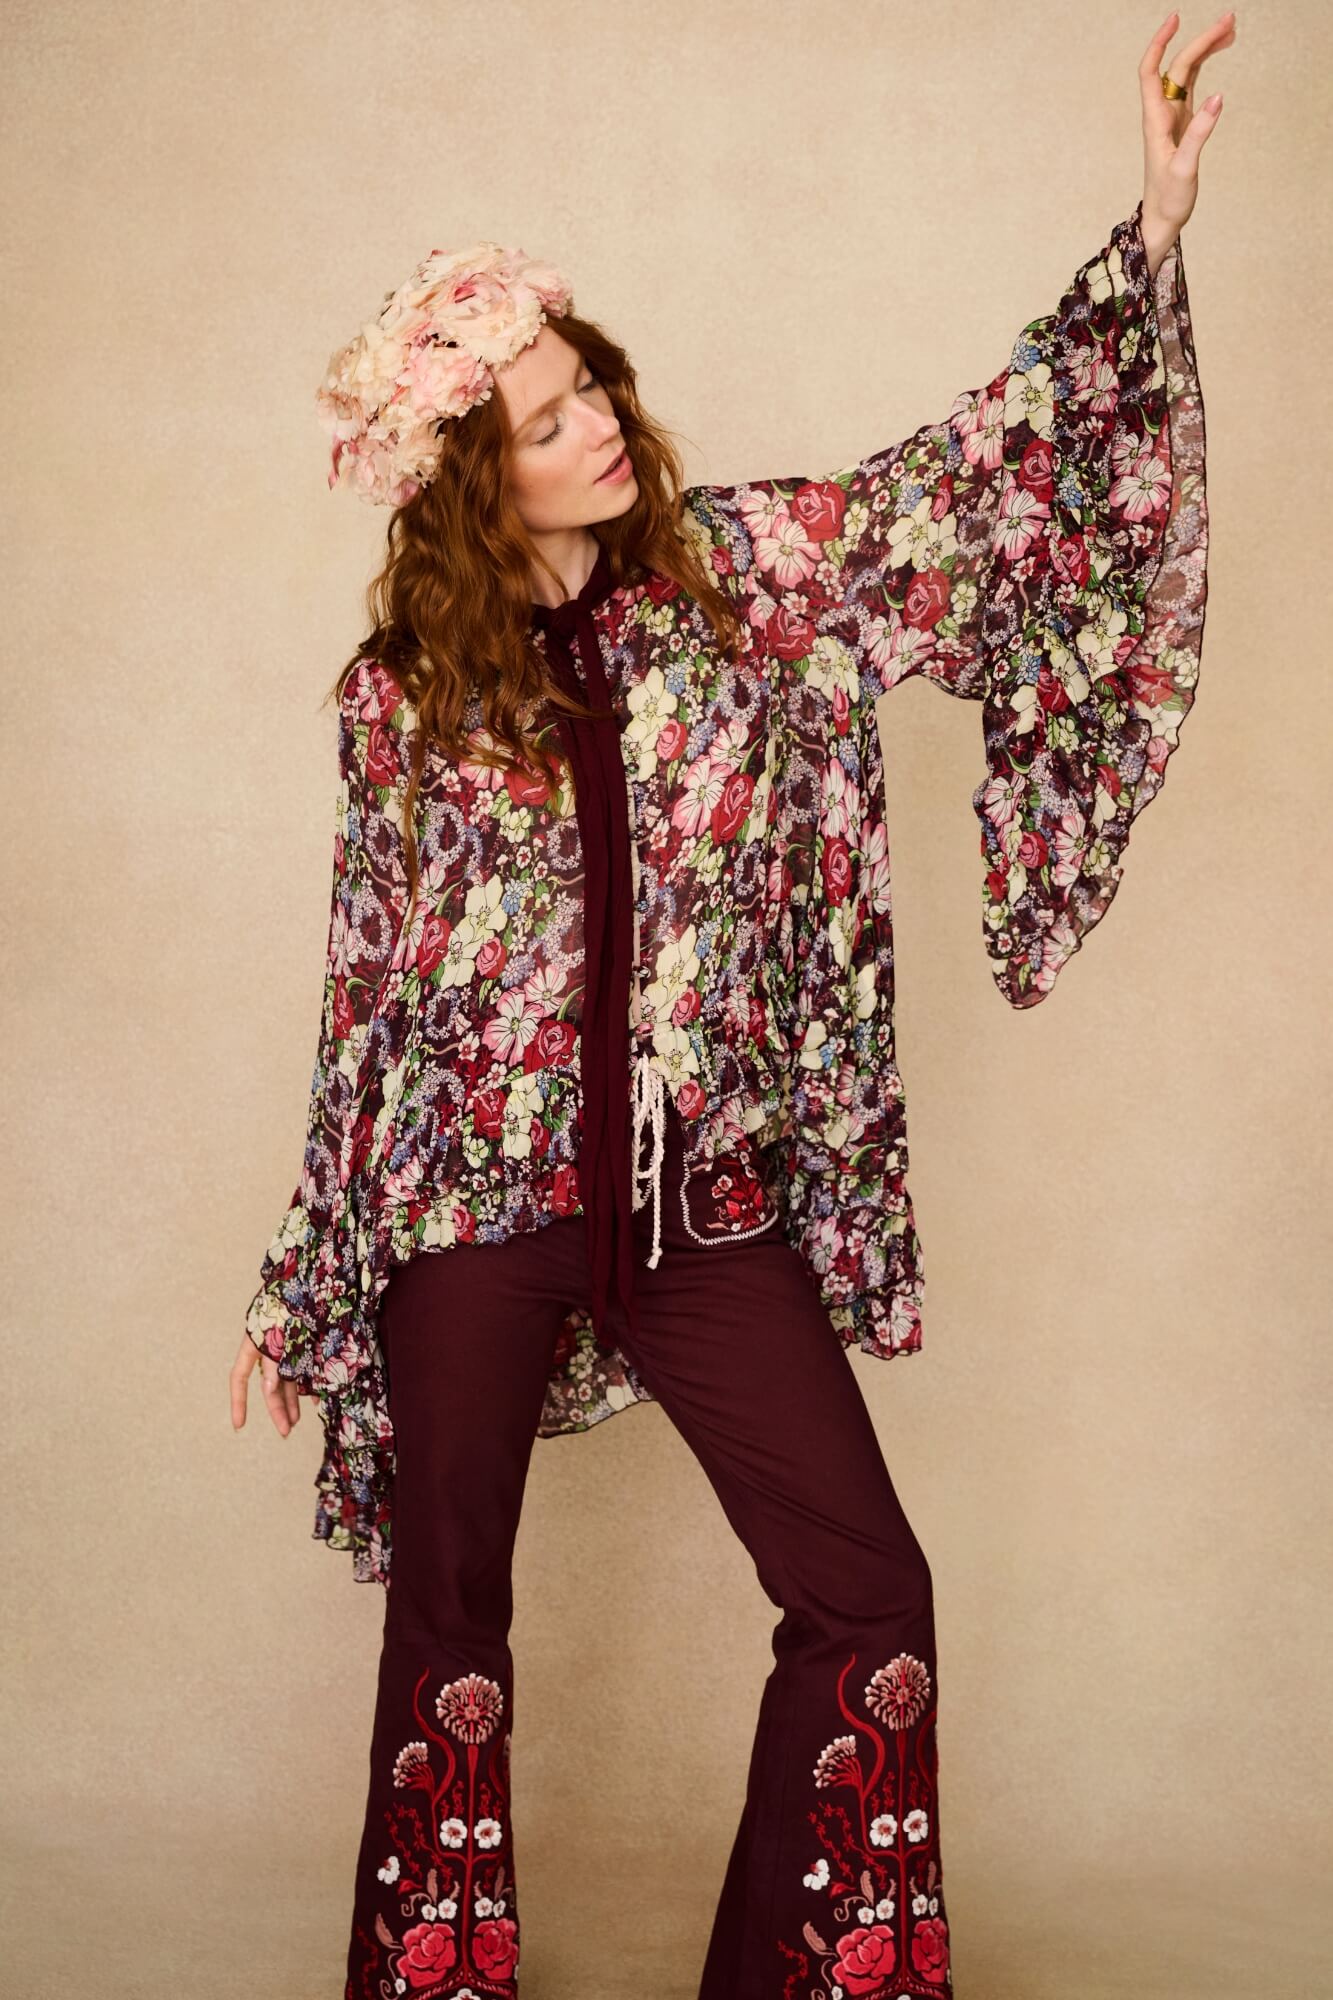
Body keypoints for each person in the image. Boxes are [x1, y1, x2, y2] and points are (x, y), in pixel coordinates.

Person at [230, 16, 1226, 1995]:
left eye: (588, 376)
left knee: (868, 1591)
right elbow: (370, 998)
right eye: (538, 411)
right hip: (468, 1210)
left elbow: (967, 494)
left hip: (695, 1198)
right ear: (459, 478)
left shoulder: (742, 577)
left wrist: (1154, 230)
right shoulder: (396, 702)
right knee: (448, 1633)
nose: (596, 417)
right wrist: (301, 1274)